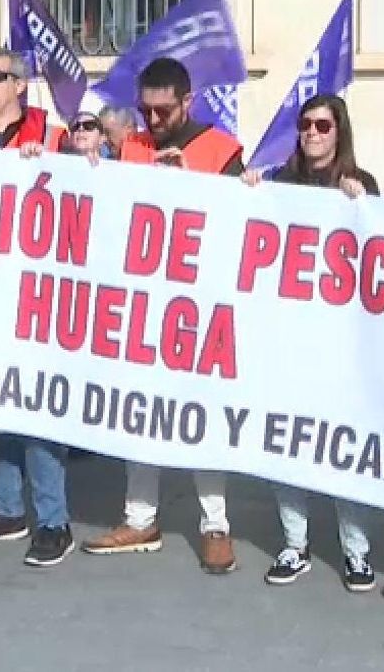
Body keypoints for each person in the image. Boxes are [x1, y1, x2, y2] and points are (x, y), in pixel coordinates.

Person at [82, 56, 245, 574]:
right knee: (138, 410)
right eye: (146, 111)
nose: (152, 121)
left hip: (200, 304)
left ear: (187, 102)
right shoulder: (131, 149)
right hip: (143, 303)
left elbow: (239, 226)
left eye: (163, 111)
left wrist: (190, 182)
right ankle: (139, 518)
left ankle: (215, 525)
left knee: (200, 415)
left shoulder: (222, 150)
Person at [239, 93, 381, 592]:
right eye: (306, 124)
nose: (312, 133)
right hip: (290, 337)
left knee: (342, 446)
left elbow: (380, 250)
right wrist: (252, 190)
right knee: (287, 443)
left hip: (341, 342)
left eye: (323, 125)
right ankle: (294, 544)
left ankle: (356, 552)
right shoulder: (281, 183)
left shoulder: (362, 184)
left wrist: (362, 202)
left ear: (340, 131)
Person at [0, 49, 80, 568]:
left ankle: (54, 521)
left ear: (20, 85)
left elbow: (92, 181)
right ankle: (5, 509)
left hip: (36, 293)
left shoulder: (51, 136)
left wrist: (56, 166)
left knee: (36, 408)